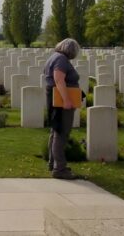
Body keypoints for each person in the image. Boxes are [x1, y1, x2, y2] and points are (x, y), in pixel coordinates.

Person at [44, 38, 81, 180]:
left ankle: (53, 163)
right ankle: (59, 169)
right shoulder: (61, 59)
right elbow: (59, 79)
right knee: (62, 133)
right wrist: (66, 100)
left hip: (55, 99)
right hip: (60, 101)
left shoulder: (55, 57)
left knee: (56, 131)